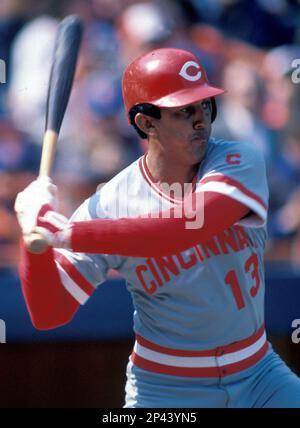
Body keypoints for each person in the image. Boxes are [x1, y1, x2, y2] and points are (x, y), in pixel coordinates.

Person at [14, 48, 300, 408]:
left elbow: (185, 227)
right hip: (167, 389)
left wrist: (63, 233)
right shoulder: (109, 205)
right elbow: (49, 312)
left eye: (205, 106)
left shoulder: (236, 160)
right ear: (146, 123)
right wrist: (31, 238)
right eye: (184, 110)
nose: (202, 121)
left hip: (259, 374)